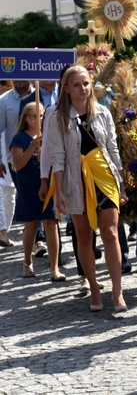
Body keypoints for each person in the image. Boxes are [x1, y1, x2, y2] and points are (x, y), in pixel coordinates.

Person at [46, 65, 128, 312]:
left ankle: (117, 289)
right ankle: (93, 286)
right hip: (75, 179)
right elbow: (57, 157)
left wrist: (121, 183)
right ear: (67, 89)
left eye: (86, 83)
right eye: (77, 85)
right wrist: (58, 191)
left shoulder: (102, 112)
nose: (83, 89)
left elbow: (113, 148)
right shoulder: (56, 117)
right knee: (83, 234)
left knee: (111, 233)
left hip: (104, 175)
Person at [11, 102, 63, 280]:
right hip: (28, 185)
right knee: (31, 225)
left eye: (40, 115)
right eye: (33, 116)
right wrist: (33, 147)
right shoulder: (19, 138)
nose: (37, 119)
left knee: (51, 222)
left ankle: (54, 267)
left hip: (48, 183)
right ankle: (27, 262)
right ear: (25, 118)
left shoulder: (50, 135)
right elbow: (17, 165)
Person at [0, 80, 47, 257]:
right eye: (16, 77)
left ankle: (40, 239)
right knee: (30, 198)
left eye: (23, 77)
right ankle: (35, 238)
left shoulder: (39, 95)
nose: (20, 81)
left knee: (45, 202)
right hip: (17, 159)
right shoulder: (4, 101)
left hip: (44, 157)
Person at [0, 80, 16, 247]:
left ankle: (5, 230)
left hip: (10, 156)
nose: (1, 87)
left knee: (9, 196)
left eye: (5, 84)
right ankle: (2, 231)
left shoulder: (11, 103)